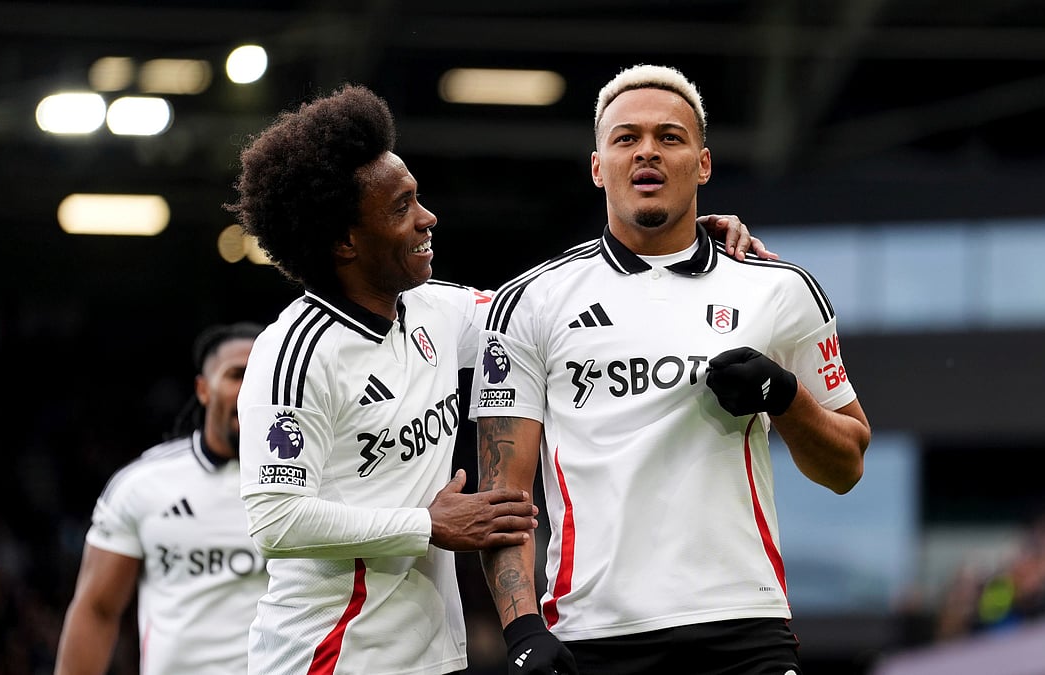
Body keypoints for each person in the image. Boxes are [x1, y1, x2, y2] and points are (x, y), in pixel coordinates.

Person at [227, 83, 773, 675]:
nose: (427, 218)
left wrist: (682, 246)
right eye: (401, 207)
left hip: (431, 653)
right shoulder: (294, 353)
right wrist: (427, 524)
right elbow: (276, 519)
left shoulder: (440, 312)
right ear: (343, 241)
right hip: (326, 656)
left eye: (419, 198)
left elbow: (555, 308)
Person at [473, 64, 873, 675]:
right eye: (626, 138)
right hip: (592, 632)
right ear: (597, 166)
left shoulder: (780, 290)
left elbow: (847, 466)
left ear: (704, 164)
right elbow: (504, 494)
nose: (647, 152)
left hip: (745, 624)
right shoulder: (530, 301)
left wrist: (784, 396)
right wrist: (523, 628)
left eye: (670, 136)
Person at [54, 322, 268, 675]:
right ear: (202, 389)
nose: (251, 389)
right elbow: (97, 609)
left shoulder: (321, 481)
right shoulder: (143, 485)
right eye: (237, 375)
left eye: (263, 376)